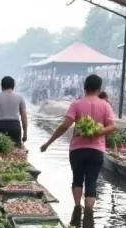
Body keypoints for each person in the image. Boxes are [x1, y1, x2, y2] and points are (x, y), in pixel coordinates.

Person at [39, 73, 116, 219]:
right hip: (96, 150)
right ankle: (88, 215)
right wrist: (98, 131)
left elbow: (64, 126)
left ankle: (76, 207)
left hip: (77, 149)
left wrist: (48, 143)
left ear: (84, 87)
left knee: (77, 179)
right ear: (99, 89)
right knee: (92, 181)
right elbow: (113, 126)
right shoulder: (105, 105)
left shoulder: (76, 104)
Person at [0, 75, 27, 146]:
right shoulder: (20, 98)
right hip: (15, 126)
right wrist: (25, 133)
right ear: (13, 86)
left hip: (0, 126)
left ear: (1, 86)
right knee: (16, 153)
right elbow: (24, 117)